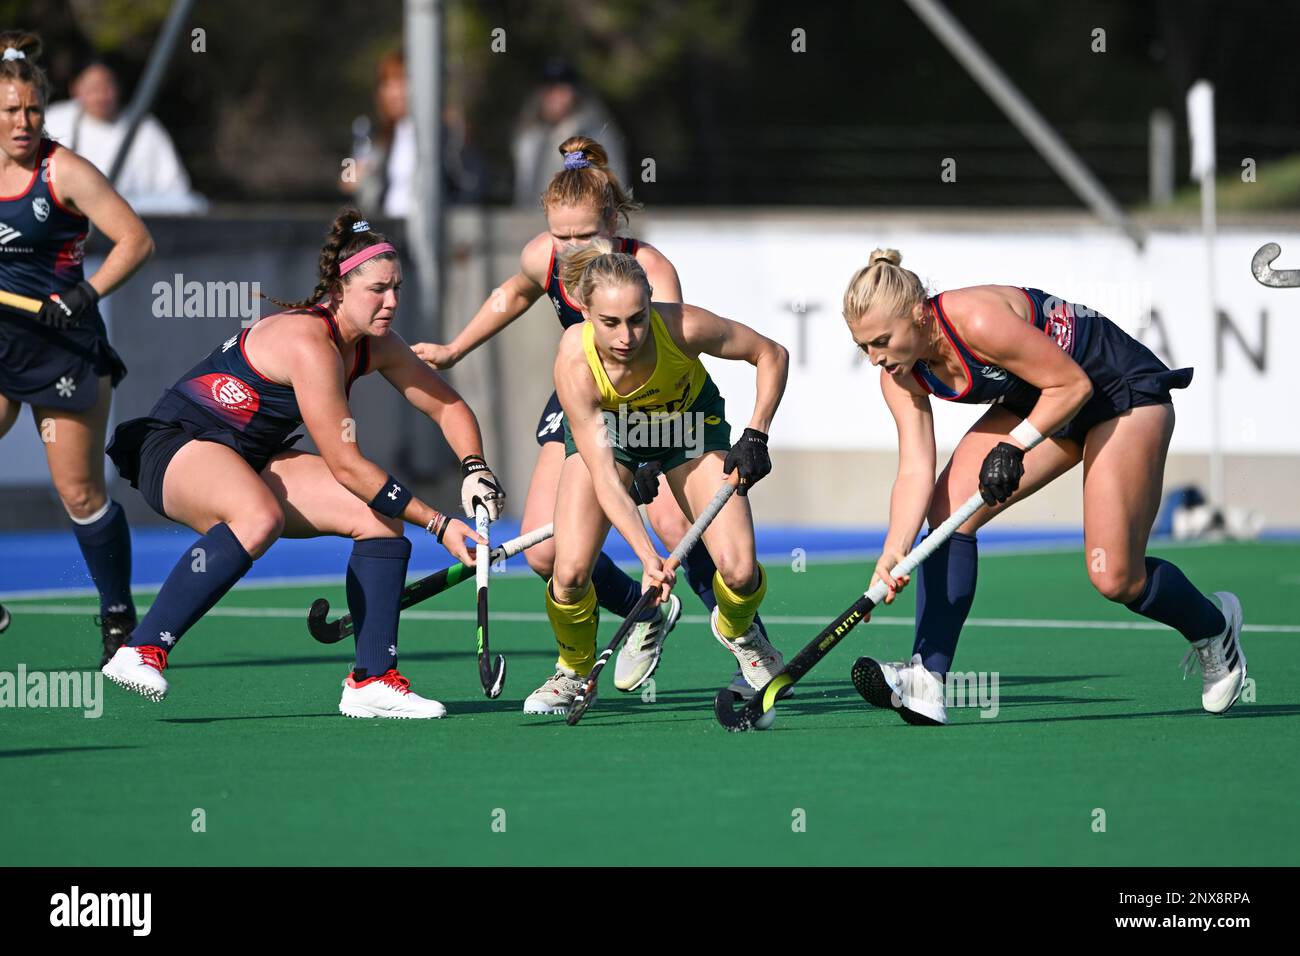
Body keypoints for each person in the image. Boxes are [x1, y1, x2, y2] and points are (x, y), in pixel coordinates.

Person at [101, 209, 504, 718]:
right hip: (176, 446)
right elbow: (347, 466)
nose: (393, 302)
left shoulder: (378, 346)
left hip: (250, 455)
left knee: (378, 518)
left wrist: (475, 468)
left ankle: (371, 679)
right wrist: (441, 523)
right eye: (378, 289)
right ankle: (141, 649)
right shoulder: (308, 342)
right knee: (258, 517)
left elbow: (448, 406)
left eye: (398, 287)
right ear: (339, 287)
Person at [413, 136, 763, 697]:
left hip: (662, 406)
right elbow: (512, 294)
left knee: (674, 524)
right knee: (544, 553)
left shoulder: (649, 271)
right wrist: (455, 350)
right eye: (562, 235)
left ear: (614, 221)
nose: (573, 248)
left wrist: (651, 454)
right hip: (586, 395)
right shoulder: (543, 256)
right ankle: (642, 611)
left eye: (586, 235)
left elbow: (672, 357)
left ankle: (749, 642)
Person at [841, 248, 1245, 725]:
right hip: (1044, 401)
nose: (874, 358)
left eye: (882, 341)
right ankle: (927, 679)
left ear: (917, 312)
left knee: (1115, 577)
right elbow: (914, 468)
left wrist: (1014, 446)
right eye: (863, 346)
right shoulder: (899, 373)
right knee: (948, 512)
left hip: (1118, 392)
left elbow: (1073, 385)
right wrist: (892, 552)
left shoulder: (975, 319)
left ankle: (1213, 629)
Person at [524, 238, 789, 714]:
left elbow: (771, 353)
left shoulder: (683, 326)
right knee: (567, 571)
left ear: (650, 305)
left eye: (637, 318)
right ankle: (572, 672)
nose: (627, 336)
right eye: (610, 323)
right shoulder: (573, 363)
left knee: (740, 570)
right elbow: (606, 477)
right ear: (585, 312)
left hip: (689, 429)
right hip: (616, 438)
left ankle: (743, 637)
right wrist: (649, 560)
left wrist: (757, 434)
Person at [0, 31, 154, 665]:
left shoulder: (62, 170)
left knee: (80, 494)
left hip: (64, 348)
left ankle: (117, 612)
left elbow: (136, 240)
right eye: (10, 111)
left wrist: (86, 295)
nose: (23, 123)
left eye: (33, 110)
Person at [43, 58, 203, 214]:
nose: (100, 95)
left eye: (106, 87)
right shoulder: (55, 120)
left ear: (118, 87)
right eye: (92, 88)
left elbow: (176, 193)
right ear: (75, 88)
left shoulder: (145, 128)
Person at [511, 59, 626, 209]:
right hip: (533, 225)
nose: (554, 96)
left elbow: (616, 191)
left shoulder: (596, 136)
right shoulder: (528, 138)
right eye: (548, 89)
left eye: (561, 89)